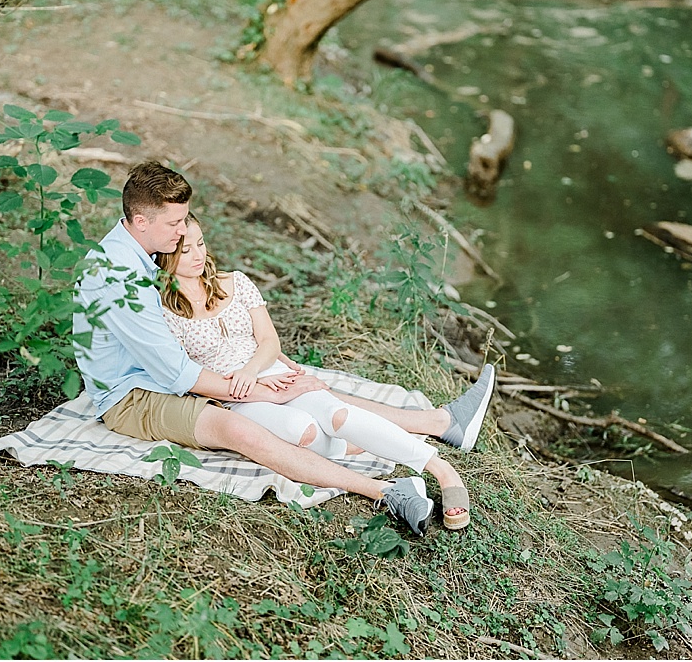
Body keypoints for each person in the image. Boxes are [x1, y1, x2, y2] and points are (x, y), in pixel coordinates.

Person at [72, 162, 493, 535]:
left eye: (185, 223)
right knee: (239, 428)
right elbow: (179, 375)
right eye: (176, 224)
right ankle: (385, 489)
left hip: (163, 379)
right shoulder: (119, 278)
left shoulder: (134, 250)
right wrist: (268, 389)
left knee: (312, 391)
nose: (185, 232)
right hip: (132, 397)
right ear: (141, 221)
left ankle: (438, 426)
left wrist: (275, 375)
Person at [155, 212, 496, 530]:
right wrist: (244, 385)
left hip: (272, 370)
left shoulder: (235, 282)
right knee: (299, 430)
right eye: (186, 250)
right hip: (236, 396)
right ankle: (361, 449)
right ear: (167, 256)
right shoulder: (164, 312)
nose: (198, 255)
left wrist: (255, 370)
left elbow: (270, 341)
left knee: (338, 415)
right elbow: (187, 376)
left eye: (200, 244)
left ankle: (441, 469)